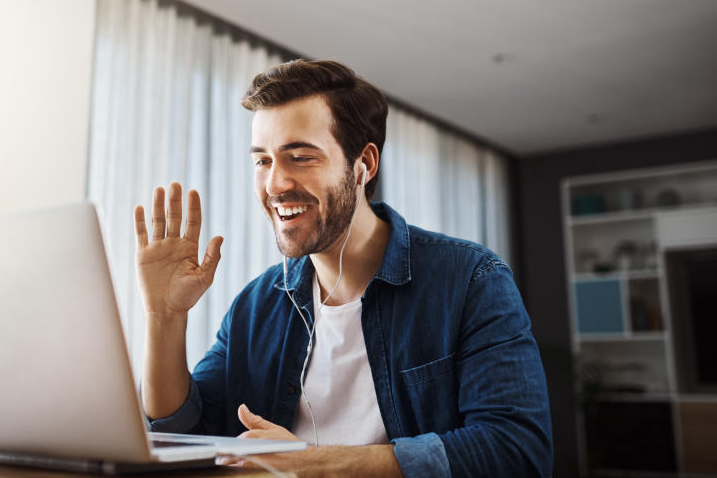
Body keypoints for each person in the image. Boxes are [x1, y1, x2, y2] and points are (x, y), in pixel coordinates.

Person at [133, 60, 553, 477]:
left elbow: (516, 452)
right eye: (262, 161)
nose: (275, 184)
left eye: (299, 156)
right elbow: (185, 434)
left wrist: (310, 463)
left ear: (363, 165)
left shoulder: (470, 280)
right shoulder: (256, 306)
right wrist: (164, 318)